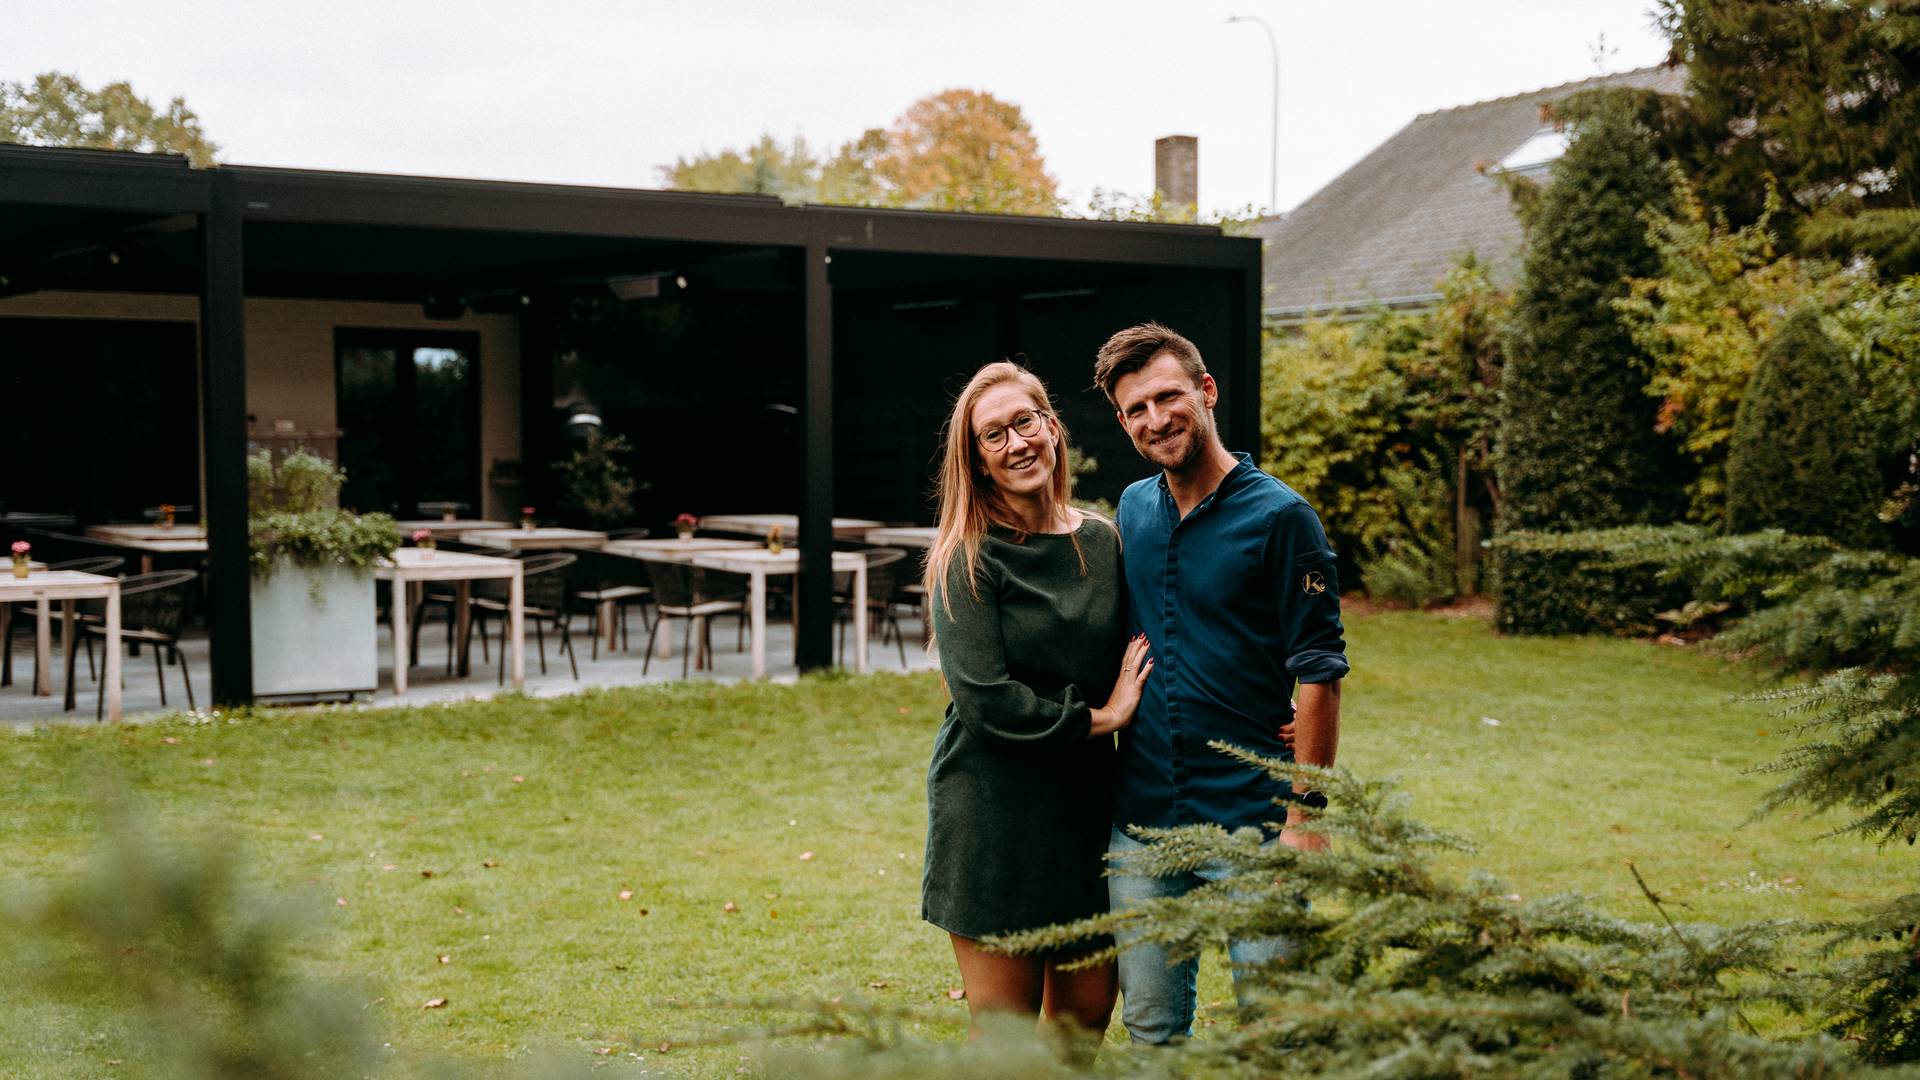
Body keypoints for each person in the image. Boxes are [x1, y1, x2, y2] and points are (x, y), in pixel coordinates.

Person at [1091, 322, 1349, 1045]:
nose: (1156, 419)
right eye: (1136, 409)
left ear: (1206, 391)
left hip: (1256, 824)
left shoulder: (1283, 519)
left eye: (1168, 396)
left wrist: (1306, 818)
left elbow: (1321, 671)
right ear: (1123, 422)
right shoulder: (1134, 508)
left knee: (1279, 1036)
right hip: (1142, 821)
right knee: (1150, 1030)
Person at [920, 360, 1155, 1039]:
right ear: (980, 462)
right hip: (995, 820)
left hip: (1089, 814)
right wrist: (1099, 717)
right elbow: (987, 702)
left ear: (1052, 428)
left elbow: (1156, 645)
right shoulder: (966, 557)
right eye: (994, 436)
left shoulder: (1102, 540)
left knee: (1081, 1030)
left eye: (1024, 422)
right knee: (1011, 1047)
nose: (1016, 442)